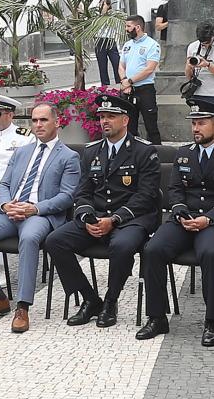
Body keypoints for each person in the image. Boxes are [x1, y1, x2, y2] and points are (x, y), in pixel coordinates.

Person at [44, 92, 162, 327]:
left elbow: (146, 196)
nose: (104, 121)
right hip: (97, 217)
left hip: (131, 219)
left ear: (125, 120)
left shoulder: (143, 151)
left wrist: (115, 219)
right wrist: (87, 216)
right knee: (55, 241)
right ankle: (90, 299)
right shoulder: (91, 151)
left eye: (110, 116)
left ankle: (111, 300)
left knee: (122, 245)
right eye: (101, 117)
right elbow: (83, 191)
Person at [0, 101, 80, 334]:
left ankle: (22, 306)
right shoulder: (22, 151)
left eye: (43, 120)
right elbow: (4, 183)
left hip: (40, 214)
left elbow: (67, 197)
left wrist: (33, 209)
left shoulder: (69, 157)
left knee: (28, 239)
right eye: (35, 120)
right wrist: (7, 204)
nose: (38, 125)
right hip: (10, 210)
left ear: (57, 122)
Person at [138, 104, 214, 345]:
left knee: (210, 252)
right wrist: (180, 211)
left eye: (201, 123)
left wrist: (209, 218)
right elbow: (175, 189)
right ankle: (157, 317)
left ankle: (211, 321)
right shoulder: (184, 152)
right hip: (185, 219)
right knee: (153, 249)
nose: (196, 128)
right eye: (194, 123)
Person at [117, 15, 164, 144]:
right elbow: (121, 66)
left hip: (145, 90)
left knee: (151, 126)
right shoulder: (127, 45)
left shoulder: (152, 45)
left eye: (128, 26)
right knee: (129, 127)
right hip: (128, 90)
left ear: (137, 27)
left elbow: (149, 69)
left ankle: (156, 154)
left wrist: (130, 81)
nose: (126, 29)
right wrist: (125, 81)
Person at [93, 0, 121, 88]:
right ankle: (104, 84)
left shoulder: (112, 14)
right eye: (100, 4)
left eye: (103, 4)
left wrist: (105, 11)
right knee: (102, 64)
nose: (101, 6)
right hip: (99, 40)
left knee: (116, 62)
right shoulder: (96, 15)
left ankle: (120, 81)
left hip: (110, 40)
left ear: (108, 5)